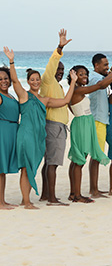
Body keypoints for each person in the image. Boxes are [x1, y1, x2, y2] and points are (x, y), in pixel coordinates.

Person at [4, 47, 77, 209]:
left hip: (39, 137)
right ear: (28, 81)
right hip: (26, 135)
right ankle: (27, 202)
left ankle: (25, 199)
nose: (36, 82)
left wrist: (73, 82)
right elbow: (14, 81)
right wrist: (11, 61)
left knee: (32, 167)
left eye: (38, 79)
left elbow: (65, 101)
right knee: (26, 167)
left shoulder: (45, 100)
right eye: (32, 80)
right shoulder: (24, 95)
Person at [67, 59, 112, 203]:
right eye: (81, 74)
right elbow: (100, 85)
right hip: (83, 124)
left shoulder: (77, 91)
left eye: (85, 74)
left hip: (85, 122)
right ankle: (78, 195)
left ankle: (74, 193)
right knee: (80, 160)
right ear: (73, 76)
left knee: (78, 159)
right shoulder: (77, 90)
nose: (85, 77)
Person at [39, 29, 72, 206]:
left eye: (62, 70)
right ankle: (52, 198)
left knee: (48, 162)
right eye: (58, 69)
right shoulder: (47, 80)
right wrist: (59, 47)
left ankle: (45, 195)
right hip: (54, 127)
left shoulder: (57, 85)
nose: (60, 72)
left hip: (56, 127)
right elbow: (52, 64)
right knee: (53, 163)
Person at [88, 53, 112, 198]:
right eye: (104, 65)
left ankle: (95, 188)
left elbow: (105, 80)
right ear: (96, 66)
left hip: (101, 121)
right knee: (96, 157)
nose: (107, 67)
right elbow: (103, 84)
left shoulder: (100, 77)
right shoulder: (95, 78)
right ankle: (93, 190)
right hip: (97, 121)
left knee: (97, 156)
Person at [0, 66, 19, 210]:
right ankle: (1, 203)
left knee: (3, 169)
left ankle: (2, 201)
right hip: (3, 132)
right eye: (0, 79)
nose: (3, 81)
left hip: (11, 131)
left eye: (6, 78)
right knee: (0, 169)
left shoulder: (11, 95)